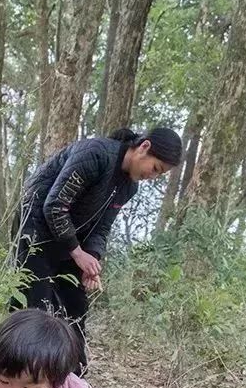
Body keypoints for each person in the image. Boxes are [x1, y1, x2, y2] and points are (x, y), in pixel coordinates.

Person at [14, 126, 183, 368]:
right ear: (144, 147)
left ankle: (75, 381)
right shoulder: (95, 154)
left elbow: (102, 227)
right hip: (35, 231)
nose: (152, 176)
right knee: (35, 306)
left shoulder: (129, 187)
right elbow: (54, 205)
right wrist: (77, 252)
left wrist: (91, 259)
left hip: (69, 240)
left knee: (76, 305)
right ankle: (22, 375)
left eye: (160, 174)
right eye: (155, 168)